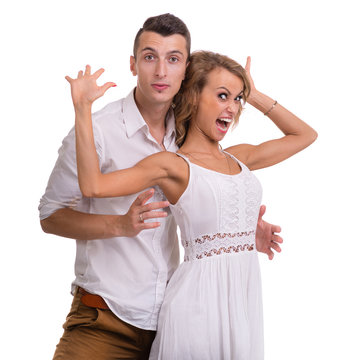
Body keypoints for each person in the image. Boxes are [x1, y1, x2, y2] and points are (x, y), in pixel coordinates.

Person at [40, 14, 283, 360]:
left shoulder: (190, 134)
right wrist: (118, 225)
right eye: (150, 57)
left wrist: (237, 233)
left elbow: (206, 192)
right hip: (104, 320)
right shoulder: (98, 132)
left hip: (174, 322)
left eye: (173, 59)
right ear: (133, 64)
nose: (161, 71)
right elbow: (50, 216)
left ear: (187, 72)